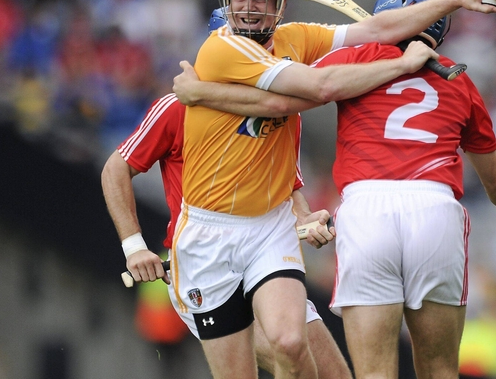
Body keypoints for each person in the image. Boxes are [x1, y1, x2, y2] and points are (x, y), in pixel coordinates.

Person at [164, 0, 496, 378]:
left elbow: (375, 29)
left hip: (274, 227)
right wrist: (400, 63)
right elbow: (314, 90)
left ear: (280, 4)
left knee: (297, 345)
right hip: (209, 230)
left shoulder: (298, 38)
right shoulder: (222, 48)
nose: (247, 7)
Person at [317, 0, 496, 379]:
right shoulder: (459, 81)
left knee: (373, 374)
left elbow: (290, 90)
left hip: (366, 210)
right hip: (435, 211)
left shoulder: (350, 58)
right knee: (439, 371)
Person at [101, 91, 351, 376]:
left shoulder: (282, 108)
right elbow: (115, 169)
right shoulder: (178, 108)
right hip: (205, 268)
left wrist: (304, 218)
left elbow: (288, 188)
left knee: (331, 373)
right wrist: (134, 246)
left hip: (263, 260)